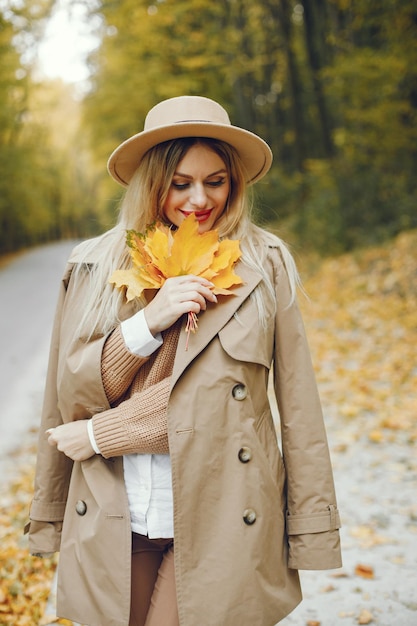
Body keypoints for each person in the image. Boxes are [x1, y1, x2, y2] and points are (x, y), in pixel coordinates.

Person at [26, 95, 342, 626]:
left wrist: (310, 527)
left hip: (225, 516)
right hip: (116, 508)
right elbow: (67, 401)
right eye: (181, 183)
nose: (201, 199)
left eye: (215, 181)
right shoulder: (92, 265)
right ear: (153, 182)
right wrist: (149, 323)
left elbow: (299, 405)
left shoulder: (264, 265)